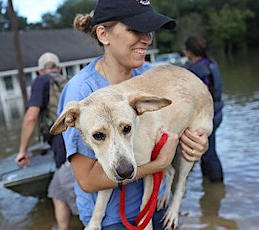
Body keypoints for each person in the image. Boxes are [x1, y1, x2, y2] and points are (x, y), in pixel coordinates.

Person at [57, 0, 210, 229]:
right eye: (134, 30)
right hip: (113, 222)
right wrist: (160, 163)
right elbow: (87, 180)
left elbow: (183, 116)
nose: (147, 39)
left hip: (157, 206)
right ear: (103, 34)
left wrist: (199, 145)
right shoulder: (81, 92)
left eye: (148, 30)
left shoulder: (153, 75)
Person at [15, 52, 78, 230]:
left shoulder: (41, 81)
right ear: (58, 68)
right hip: (75, 141)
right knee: (56, 192)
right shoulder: (69, 80)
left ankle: (94, 224)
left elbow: (30, 118)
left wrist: (22, 150)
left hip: (64, 146)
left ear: (40, 71)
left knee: (81, 201)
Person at [184, 35, 225, 183]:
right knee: (206, 149)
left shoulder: (197, 69)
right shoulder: (211, 63)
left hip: (209, 115)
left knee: (208, 151)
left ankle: (216, 183)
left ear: (189, 52)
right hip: (218, 111)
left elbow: (203, 92)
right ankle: (210, 187)